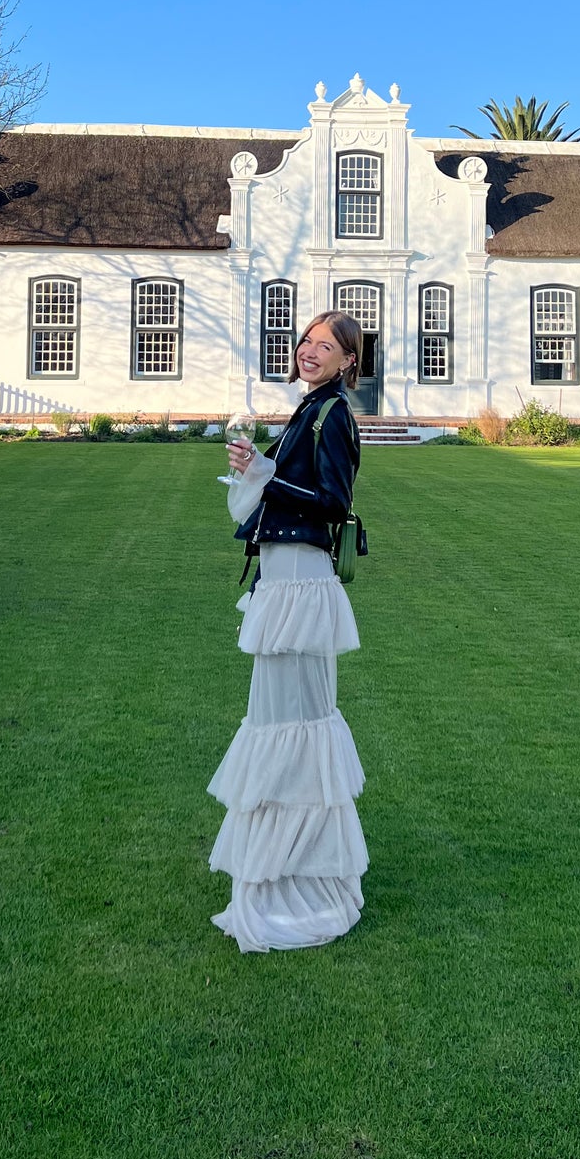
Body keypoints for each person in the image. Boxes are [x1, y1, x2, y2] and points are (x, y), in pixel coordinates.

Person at [208, 311, 367, 953]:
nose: (309, 351)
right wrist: (255, 465)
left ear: (348, 361)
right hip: (282, 580)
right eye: (306, 342)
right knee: (277, 719)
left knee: (294, 720)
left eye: (325, 346)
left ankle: (299, 881)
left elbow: (334, 500)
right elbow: (283, 490)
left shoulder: (334, 415)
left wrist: (270, 475)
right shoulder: (307, 410)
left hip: (302, 582)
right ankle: (282, 869)